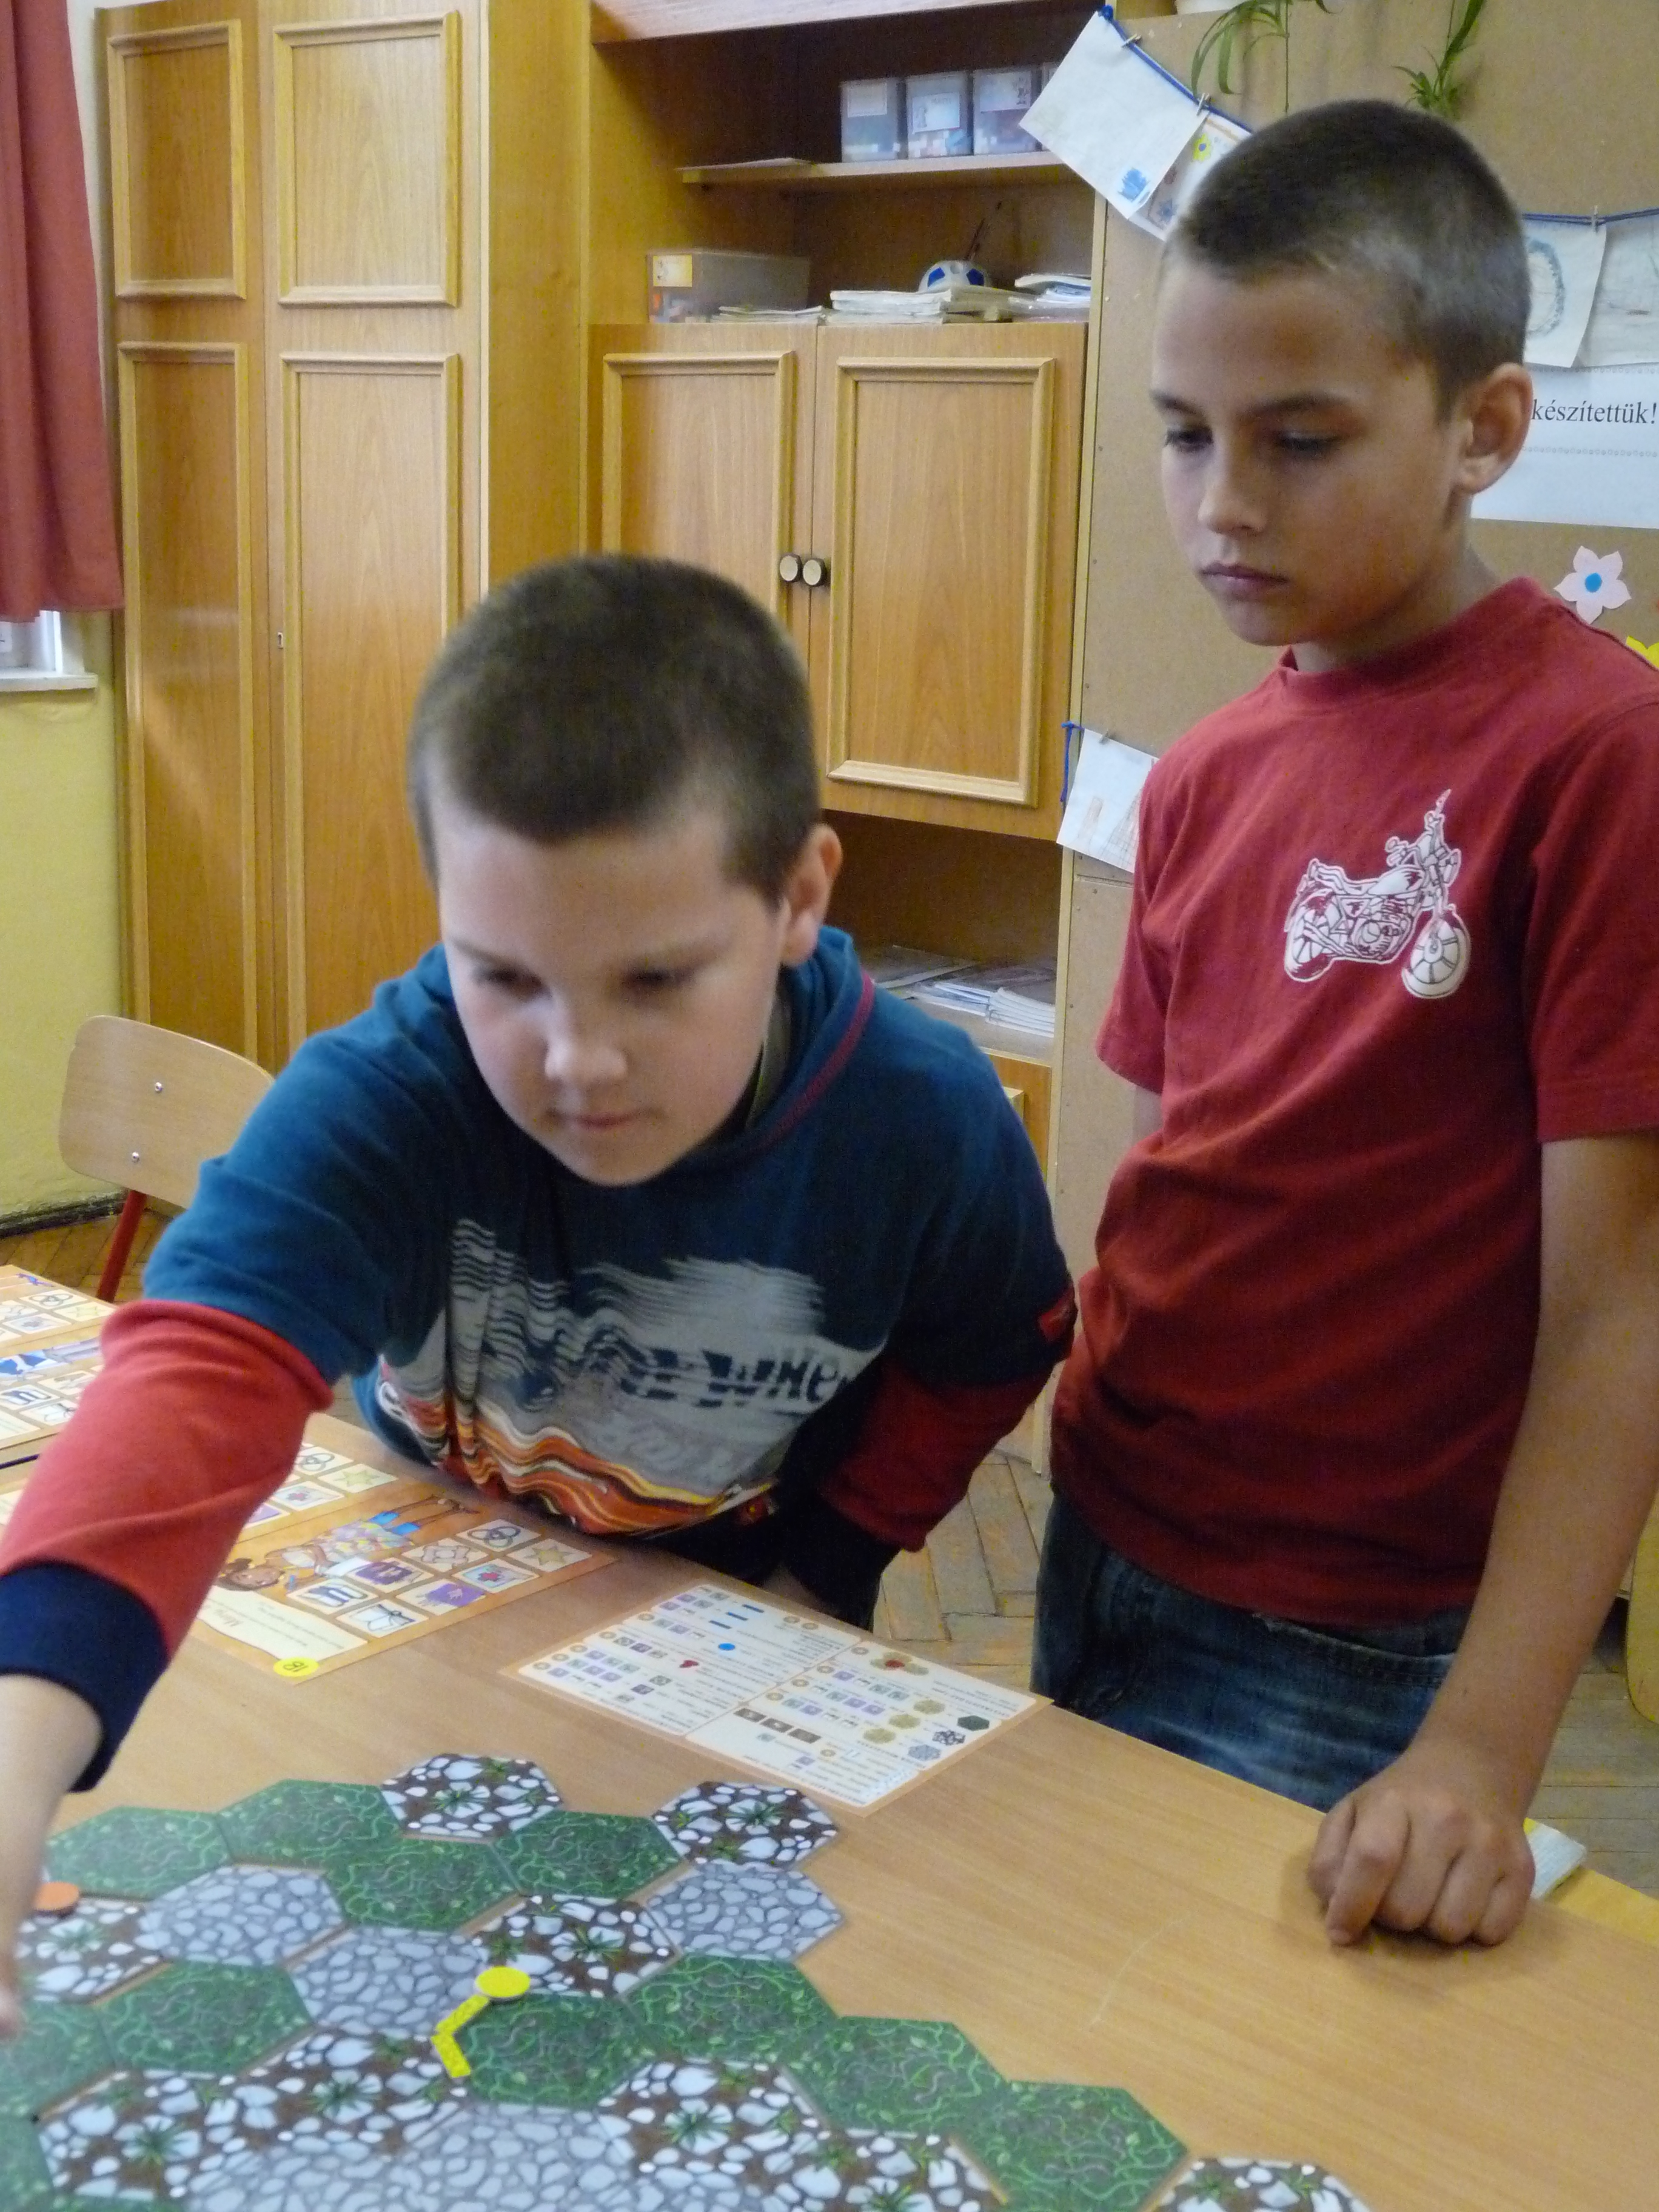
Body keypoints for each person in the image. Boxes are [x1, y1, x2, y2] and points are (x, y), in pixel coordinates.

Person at [0, 555, 1074, 2034]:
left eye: (656, 980)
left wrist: (833, 1560)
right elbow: (199, 1372)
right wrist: (19, 1746)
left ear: (799, 897)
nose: (579, 1060)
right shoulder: (393, 1088)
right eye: (505, 977)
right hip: (433, 1556)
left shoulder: (925, 1118)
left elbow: (993, 1347)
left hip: (732, 1593)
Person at [1034, 100, 1659, 1950]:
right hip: (1108, 1527)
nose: (1223, 504)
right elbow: (1175, 1171)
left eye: (1299, 441)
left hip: (1359, 1628)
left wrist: (1481, 1746)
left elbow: (1622, 1310)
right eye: (1185, 434)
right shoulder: (1203, 776)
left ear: (1485, 429)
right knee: (1077, 1990)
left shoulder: (1599, 761)